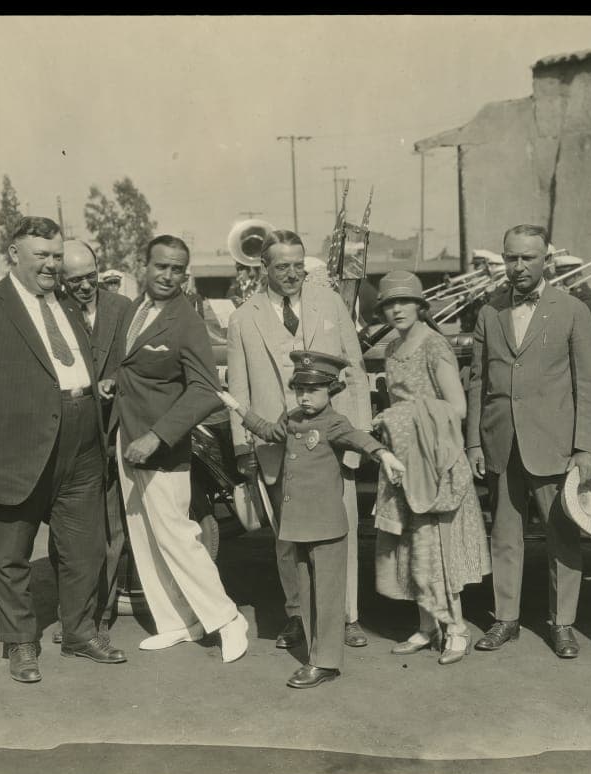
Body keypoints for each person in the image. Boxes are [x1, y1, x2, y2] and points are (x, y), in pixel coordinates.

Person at [0, 217, 124, 684]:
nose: (51, 264)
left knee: (84, 548)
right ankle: (20, 642)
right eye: (41, 255)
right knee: (10, 553)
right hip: (14, 448)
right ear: (13, 253)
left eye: (56, 255)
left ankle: (79, 633)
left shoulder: (65, 302)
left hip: (81, 440)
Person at [218, 352, 405, 687]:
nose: (304, 396)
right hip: (299, 524)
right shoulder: (293, 419)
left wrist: (384, 454)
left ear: (330, 390)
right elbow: (269, 431)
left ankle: (326, 662)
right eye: (299, 389)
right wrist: (237, 407)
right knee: (307, 594)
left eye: (313, 390)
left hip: (326, 526)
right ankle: (317, 652)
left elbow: (361, 440)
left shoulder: (334, 423)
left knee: (329, 597)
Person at [103, 234, 249, 661]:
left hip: (160, 446)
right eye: (160, 266)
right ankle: (177, 621)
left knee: (178, 536)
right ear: (143, 266)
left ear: (185, 274)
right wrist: (114, 378)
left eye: (176, 269)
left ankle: (227, 619)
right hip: (125, 436)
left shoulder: (185, 319)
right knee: (146, 537)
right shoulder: (137, 309)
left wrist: (157, 435)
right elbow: (135, 364)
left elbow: (206, 390)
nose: (167, 276)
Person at [226, 229, 373, 650]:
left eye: (297, 265)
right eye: (281, 266)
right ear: (263, 267)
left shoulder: (329, 303)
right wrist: (243, 449)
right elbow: (238, 392)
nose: (292, 274)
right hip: (277, 446)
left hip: (332, 444)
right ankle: (297, 614)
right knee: (288, 538)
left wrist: (356, 442)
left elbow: (356, 373)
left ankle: (347, 617)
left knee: (338, 531)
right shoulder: (242, 318)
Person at [466, 224, 591, 659]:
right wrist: (473, 443)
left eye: (527, 258)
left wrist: (584, 448)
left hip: (554, 445)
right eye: (511, 258)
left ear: (546, 259)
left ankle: (562, 624)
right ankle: (506, 618)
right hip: (501, 443)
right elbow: (478, 382)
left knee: (561, 536)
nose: (518, 266)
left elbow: (587, 386)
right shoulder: (489, 311)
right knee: (504, 535)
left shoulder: (572, 310)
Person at [371, 271, 491, 665]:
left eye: (404, 301)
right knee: (412, 545)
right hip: (405, 459)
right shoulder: (391, 349)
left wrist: (401, 417)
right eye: (390, 303)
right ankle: (428, 626)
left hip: (436, 459)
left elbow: (457, 407)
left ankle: (456, 629)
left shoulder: (434, 345)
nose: (397, 309)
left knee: (440, 546)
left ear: (421, 305)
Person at [48, 239, 133, 643]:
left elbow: (135, 361)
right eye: (76, 280)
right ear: (62, 281)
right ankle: (71, 614)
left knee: (112, 531)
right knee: (68, 534)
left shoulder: (122, 309)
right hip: (69, 440)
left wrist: (116, 379)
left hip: (112, 432)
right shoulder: (53, 313)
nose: (85, 287)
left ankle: (102, 612)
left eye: (91, 278)